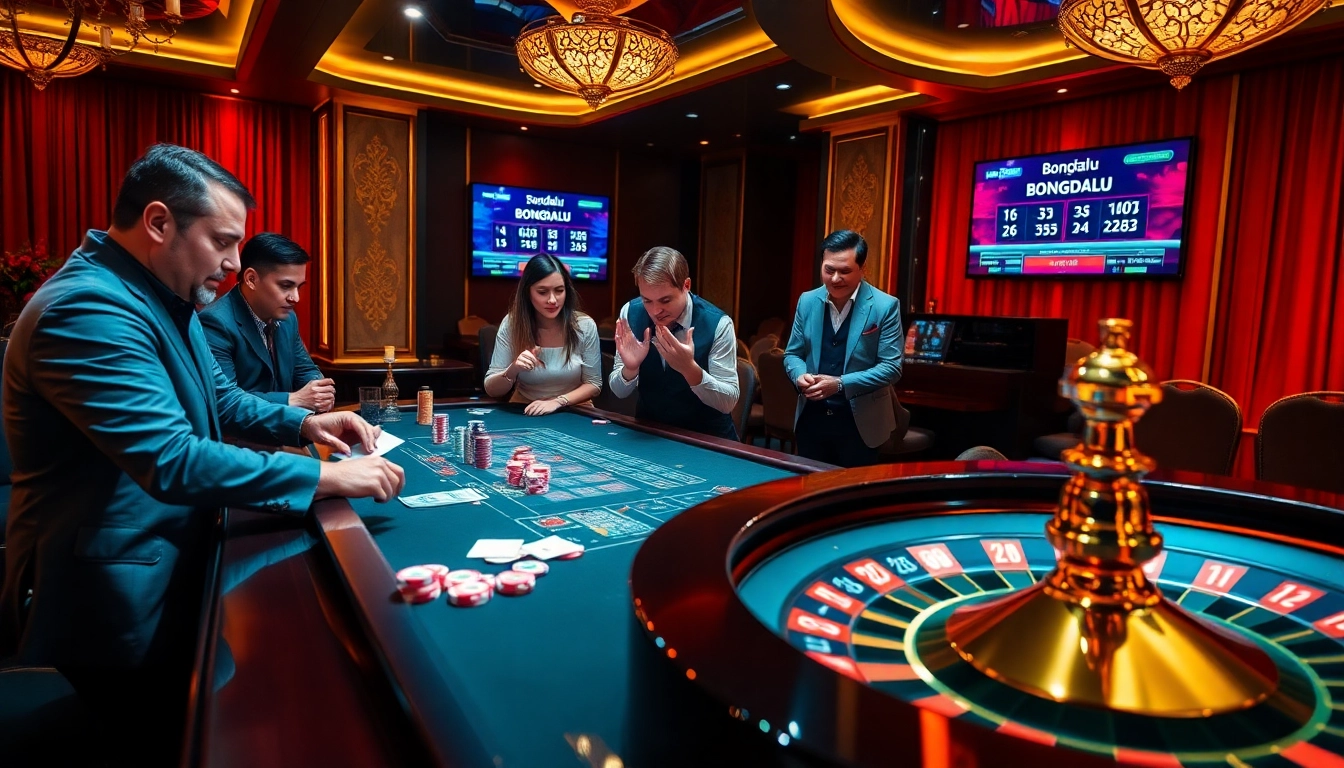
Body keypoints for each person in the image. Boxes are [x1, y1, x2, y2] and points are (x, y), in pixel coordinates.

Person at [0, 143, 405, 765]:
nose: (234, 263)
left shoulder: (162, 293)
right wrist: (327, 477)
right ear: (159, 223)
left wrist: (306, 422)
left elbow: (222, 398)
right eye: (222, 241)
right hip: (113, 591)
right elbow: (172, 459)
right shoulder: (88, 307)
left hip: (167, 556)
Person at [783, 230, 903, 467]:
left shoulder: (885, 306)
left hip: (862, 424)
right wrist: (799, 376)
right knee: (810, 487)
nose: (835, 278)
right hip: (811, 420)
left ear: (862, 268)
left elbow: (892, 367)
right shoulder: (807, 301)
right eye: (829, 270)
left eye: (845, 271)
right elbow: (793, 354)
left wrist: (839, 384)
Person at [609, 246, 739, 440]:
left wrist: (689, 369)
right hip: (650, 435)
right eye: (647, 301)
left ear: (686, 285)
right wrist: (630, 369)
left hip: (707, 440)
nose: (655, 311)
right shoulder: (630, 312)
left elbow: (728, 402)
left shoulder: (718, 323)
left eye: (665, 300)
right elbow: (619, 392)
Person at [199, 232, 335, 412]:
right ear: (251, 279)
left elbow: (304, 370)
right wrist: (292, 399)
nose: (295, 298)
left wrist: (320, 391)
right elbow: (224, 402)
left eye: (298, 287)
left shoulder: (288, 318)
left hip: (289, 425)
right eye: (286, 286)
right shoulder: (215, 322)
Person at [483, 253, 602, 415]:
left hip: (575, 408)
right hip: (527, 408)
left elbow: (594, 384)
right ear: (528, 292)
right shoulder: (512, 323)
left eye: (559, 291)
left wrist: (557, 402)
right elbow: (492, 389)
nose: (552, 300)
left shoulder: (584, 326)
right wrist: (513, 369)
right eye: (542, 292)